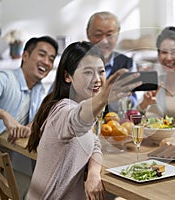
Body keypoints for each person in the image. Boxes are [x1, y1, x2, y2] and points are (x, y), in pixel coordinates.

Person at [26, 41, 141, 199]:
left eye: (101, 72)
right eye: (88, 72)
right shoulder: (63, 110)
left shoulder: (79, 106)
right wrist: (102, 99)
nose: (97, 79)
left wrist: (93, 173)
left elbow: (94, 144)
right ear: (68, 76)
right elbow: (77, 119)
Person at [0, 36, 58, 143]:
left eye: (51, 59)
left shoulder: (39, 90)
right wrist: (5, 115)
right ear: (25, 55)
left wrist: (31, 127)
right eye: (42, 55)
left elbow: (35, 120)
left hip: (9, 152)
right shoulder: (4, 78)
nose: (46, 62)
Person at [86, 11, 138, 114]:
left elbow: (132, 103)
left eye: (110, 35)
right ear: (88, 33)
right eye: (98, 35)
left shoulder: (127, 64)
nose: (104, 41)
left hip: (116, 125)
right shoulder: (75, 61)